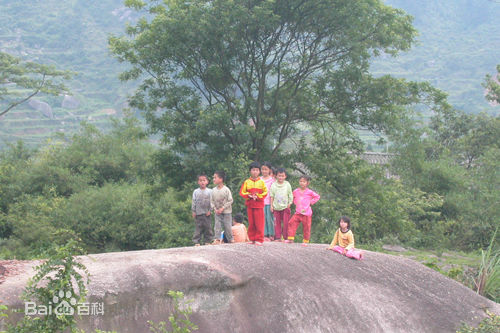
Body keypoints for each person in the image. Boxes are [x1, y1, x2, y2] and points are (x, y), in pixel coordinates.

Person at [285, 175, 320, 246]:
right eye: (300, 181)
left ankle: (305, 241)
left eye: (304, 182)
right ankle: (290, 239)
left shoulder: (309, 192)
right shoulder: (296, 191)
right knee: (291, 223)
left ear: (307, 183)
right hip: (298, 212)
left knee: (306, 227)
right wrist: (291, 202)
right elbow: (291, 197)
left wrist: (311, 202)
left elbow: (317, 196)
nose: (302, 183)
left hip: (306, 213)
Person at [239, 161, 268, 246]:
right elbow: (242, 192)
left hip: (259, 205)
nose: (255, 172)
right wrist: (249, 195)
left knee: (259, 222)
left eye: (256, 170)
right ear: (250, 171)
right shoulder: (247, 182)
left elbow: (265, 192)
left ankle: (259, 239)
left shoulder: (261, 182)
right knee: (251, 222)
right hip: (250, 205)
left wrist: (258, 196)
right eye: (253, 170)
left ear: (259, 172)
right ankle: (252, 238)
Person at [270, 168, 293, 242]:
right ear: (276, 176)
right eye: (279, 176)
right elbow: (272, 196)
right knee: (277, 223)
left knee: (286, 223)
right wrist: (271, 206)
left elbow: (290, 194)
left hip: (285, 207)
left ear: (285, 176)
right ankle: (278, 237)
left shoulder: (287, 184)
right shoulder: (274, 185)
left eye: (282, 176)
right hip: (276, 207)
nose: (281, 178)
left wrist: (290, 203)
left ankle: (286, 237)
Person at [210, 170, 234, 244]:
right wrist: (214, 209)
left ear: (221, 179)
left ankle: (230, 239)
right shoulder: (213, 190)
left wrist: (223, 208)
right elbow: (211, 201)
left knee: (227, 226)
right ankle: (217, 239)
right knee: (217, 226)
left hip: (226, 212)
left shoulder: (226, 190)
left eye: (215, 177)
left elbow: (230, 200)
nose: (214, 179)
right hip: (217, 212)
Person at [191, 174, 213, 246]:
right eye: (200, 181)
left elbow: (212, 202)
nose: (202, 182)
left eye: (204, 180)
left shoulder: (210, 191)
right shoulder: (196, 191)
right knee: (198, 228)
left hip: (207, 213)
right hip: (198, 213)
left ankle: (208, 241)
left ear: (207, 182)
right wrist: (193, 211)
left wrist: (210, 210)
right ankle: (196, 242)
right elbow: (194, 201)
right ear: (198, 182)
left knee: (208, 227)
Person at [261, 161, 275, 241]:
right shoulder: (259, 179)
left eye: (266, 169)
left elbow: (274, 192)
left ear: (269, 170)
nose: (264, 171)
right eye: (262, 169)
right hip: (261, 202)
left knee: (270, 218)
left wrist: (273, 204)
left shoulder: (272, 180)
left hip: (269, 202)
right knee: (263, 218)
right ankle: (265, 234)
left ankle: (271, 234)